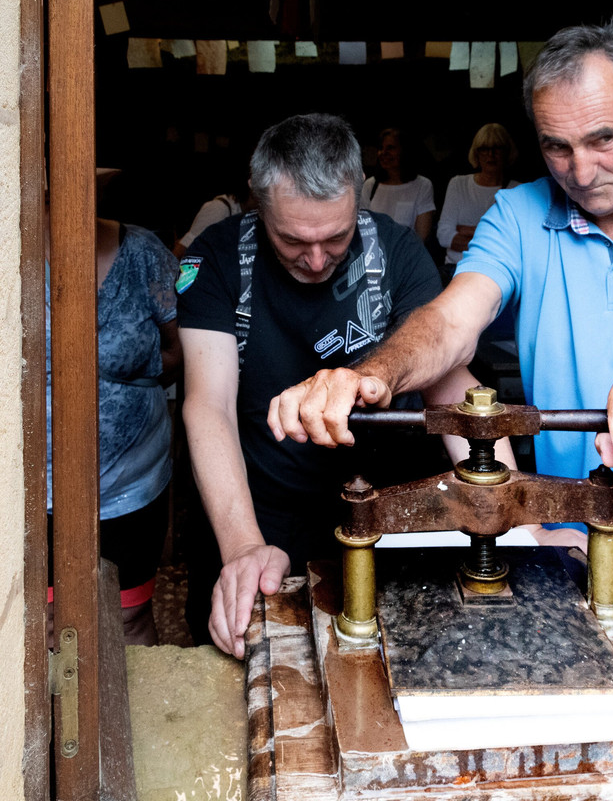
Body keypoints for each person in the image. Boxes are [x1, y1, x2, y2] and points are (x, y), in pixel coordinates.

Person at [268, 24, 613, 625]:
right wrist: (370, 376)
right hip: (577, 572)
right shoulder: (520, 216)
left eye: (602, 139)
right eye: (557, 147)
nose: (579, 171)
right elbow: (449, 324)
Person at [176, 113, 471, 658]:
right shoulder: (217, 259)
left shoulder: (398, 253)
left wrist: (518, 511)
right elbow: (207, 406)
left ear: (357, 201)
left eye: (335, 237)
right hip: (256, 510)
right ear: (256, 204)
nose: (315, 261)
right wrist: (242, 547)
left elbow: (451, 388)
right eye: (292, 240)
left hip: (385, 511)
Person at [47, 206, 181, 645]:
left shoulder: (142, 252)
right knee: (43, 622)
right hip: (29, 491)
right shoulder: (13, 253)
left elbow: (182, 351)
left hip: (130, 484)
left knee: (128, 618)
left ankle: (132, 715)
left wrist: (122, 374)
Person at [437, 123, 519, 269]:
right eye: (484, 149)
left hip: (498, 270)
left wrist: (466, 230)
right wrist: (493, 238)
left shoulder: (518, 190)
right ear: (476, 153)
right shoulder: (458, 184)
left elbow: (516, 243)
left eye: (497, 148)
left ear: (507, 152)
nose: (490, 154)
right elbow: (444, 235)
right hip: (456, 269)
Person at [360, 127, 436, 243]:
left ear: (405, 151)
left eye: (390, 148)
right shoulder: (370, 185)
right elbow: (363, 229)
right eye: (381, 148)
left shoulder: (422, 185)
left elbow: (422, 236)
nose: (383, 153)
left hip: (407, 256)